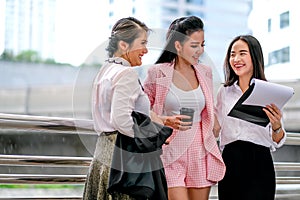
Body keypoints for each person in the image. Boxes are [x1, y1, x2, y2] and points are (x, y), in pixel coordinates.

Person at [82, 17, 169, 200]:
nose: (145, 50)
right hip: (123, 160)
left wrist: (159, 120)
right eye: (142, 43)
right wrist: (149, 137)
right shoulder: (127, 73)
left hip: (103, 154)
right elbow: (120, 120)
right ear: (123, 45)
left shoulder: (106, 70)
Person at [143, 16, 226, 200]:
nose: (200, 51)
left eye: (202, 45)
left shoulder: (205, 72)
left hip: (200, 150)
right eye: (194, 45)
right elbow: (141, 109)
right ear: (178, 46)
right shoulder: (157, 72)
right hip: (170, 150)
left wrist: (216, 125)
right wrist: (164, 120)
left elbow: (208, 108)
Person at [215, 35, 287, 200]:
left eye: (242, 53)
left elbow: (278, 139)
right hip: (230, 161)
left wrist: (276, 125)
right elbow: (215, 128)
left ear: (254, 56)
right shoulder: (224, 92)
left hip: (259, 162)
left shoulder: (269, 91)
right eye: (232, 54)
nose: (236, 59)